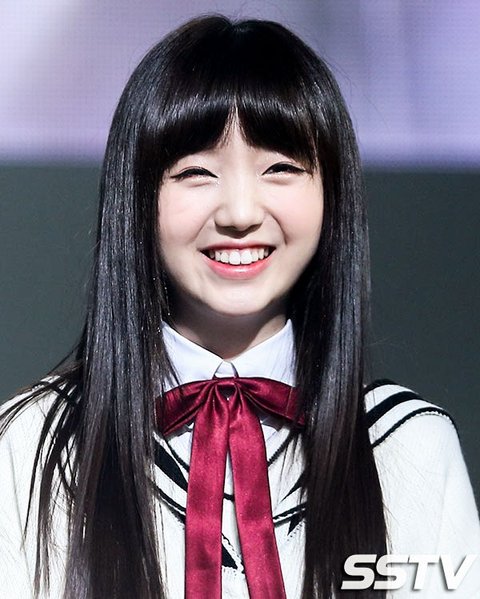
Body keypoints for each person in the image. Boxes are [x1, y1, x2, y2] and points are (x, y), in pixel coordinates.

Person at [0, 15, 479, 599]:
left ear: (332, 194)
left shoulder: (406, 445)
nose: (240, 213)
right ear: (138, 196)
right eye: (197, 172)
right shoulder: (32, 445)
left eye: (281, 168)